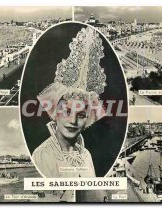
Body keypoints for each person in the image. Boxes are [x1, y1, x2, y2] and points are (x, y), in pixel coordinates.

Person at [32, 27, 107, 178]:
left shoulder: (86, 156)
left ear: (88, 119)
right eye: (67, 111)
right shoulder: (41, 156)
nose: (73, 121)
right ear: (55, 113)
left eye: (81, 115)